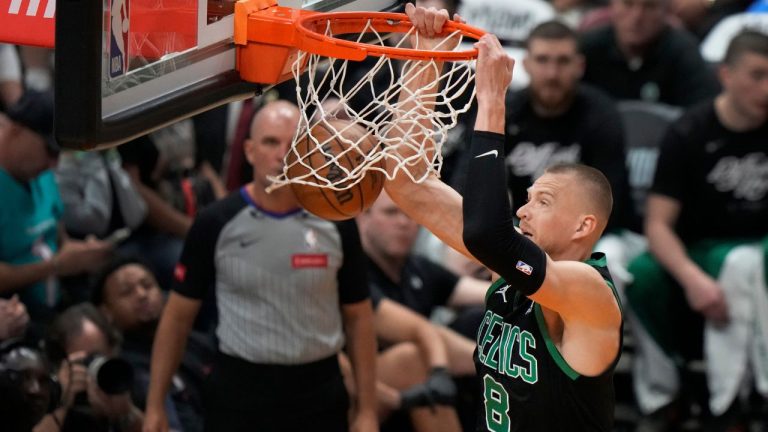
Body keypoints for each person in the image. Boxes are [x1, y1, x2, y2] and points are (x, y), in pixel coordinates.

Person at [383, 4, 623, 430]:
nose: (523, 209)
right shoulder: (512, 266)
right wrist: (426, 59)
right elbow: (406, 183)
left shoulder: (589, 293)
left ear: (583, 225)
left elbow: (488, 234)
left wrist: (491, 101)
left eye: (543, 202)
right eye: (527, 197)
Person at [144, 100, 377, 432]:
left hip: (319, 390)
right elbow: (177, 316)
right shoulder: (215, 222)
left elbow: (359, 317)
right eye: (271, 142)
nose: (282, 154)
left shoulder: (338, 221)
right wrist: (155, 405)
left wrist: (367, 409)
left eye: (294, 142)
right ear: (250, 151)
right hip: (240, 391)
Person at [626, 30, 768, 429]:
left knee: (743, 263)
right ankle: (661, 397)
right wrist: (693, 280)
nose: (766, 88)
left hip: (758, 247)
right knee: (639, 274)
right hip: (700, 247)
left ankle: (731, 403)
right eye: (757, 75)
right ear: (726, 75)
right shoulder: (689, 131)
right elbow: (657, 225)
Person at [0, 90, 112, 323]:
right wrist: (56, 266)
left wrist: (83, 254)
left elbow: (59, 239)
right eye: (50, 151)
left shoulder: (43, 177)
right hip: (15, 313)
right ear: (16, 130)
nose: (54, 164)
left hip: (61, 298)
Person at [92, 255, 211, 432]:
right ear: (106, 312)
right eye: (127, 292)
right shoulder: (125, 372)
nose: (141, 295)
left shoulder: (195, 340)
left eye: (147, 285)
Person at [357, 190, 489, 337]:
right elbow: (416, 333)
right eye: (391, 212)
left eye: (410, 213)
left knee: (477, 319)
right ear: (363, 218)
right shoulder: (353, 272)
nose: (403, 222)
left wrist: (517, 278)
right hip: (383, 356)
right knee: (409, 351)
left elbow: (483, 291)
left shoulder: (417, 267)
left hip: (434, 348)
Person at [579, 0, 720, 107]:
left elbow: (702, 113)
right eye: (628, 4)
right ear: (612, 6)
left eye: (649, 7)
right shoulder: (588, 49)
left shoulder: (683, 53)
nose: (636, 17)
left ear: (666, 12)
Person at [36, 303, 144, 432]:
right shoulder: (43, 396)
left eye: (97, 357)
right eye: (83, 362)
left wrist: (126, 414)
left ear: (112, 350)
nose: (92, 367)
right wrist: (61, 402)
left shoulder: (125, 380)